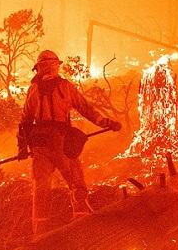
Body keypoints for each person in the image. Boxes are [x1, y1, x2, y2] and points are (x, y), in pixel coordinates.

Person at [17, 49, 121, 235]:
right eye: (48, 65)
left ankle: (40, 235)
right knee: (76, 185)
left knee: (42, 189)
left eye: (51, 65)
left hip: (44, 146)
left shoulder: (37, 89)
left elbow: (25, 121)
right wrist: (105, 122)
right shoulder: (63, 87)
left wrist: (22, 147)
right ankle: (81, 227)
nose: (50, 68)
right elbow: (86, 109)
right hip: (59, 145)